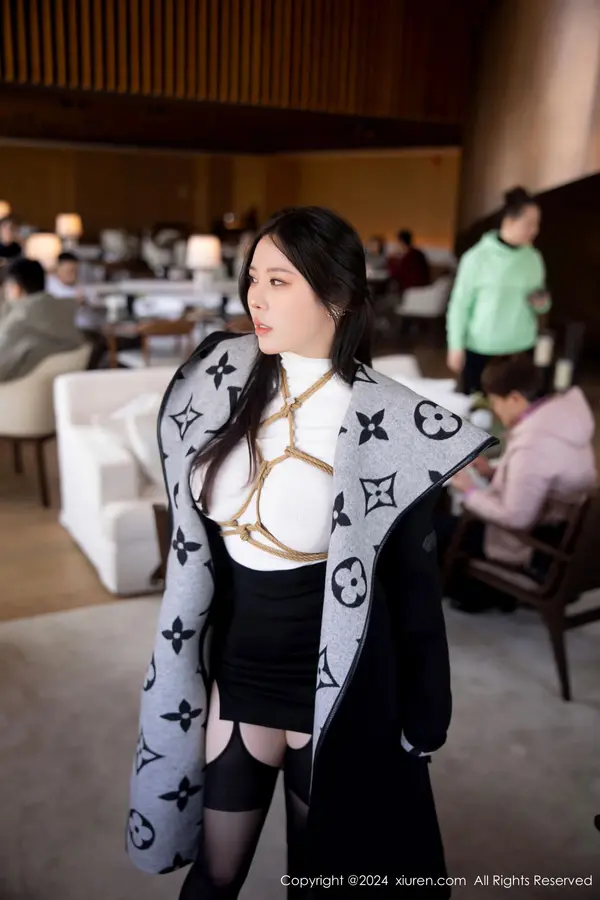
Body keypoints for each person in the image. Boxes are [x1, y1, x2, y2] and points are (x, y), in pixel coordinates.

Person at [126, 206, 492, 898]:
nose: (255, 299)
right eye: (252, 279)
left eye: (278, 281)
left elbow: (415, 591)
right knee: (214, 875)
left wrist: (426, 716)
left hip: (333, 690)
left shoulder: (386, 426)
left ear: (338, 295)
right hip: (238, 674)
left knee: (322, 877)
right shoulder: (223, 384)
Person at [443, 354, 596, 612]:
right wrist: (491, 472)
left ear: (514, 398)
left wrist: (469, 491)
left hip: (536, 546)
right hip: (566, 536)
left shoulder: (533, 445)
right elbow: (537, 477)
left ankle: (486, 592)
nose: (495, 409)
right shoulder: (562, 419)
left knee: (436, 531)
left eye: (496, 401)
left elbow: (516, 518)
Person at [446, 186, 550, 396]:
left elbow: (541, 302)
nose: (535, 230)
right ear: (509, 221)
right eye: (529, 224)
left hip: (521, 347)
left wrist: (542, 303)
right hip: (482, 347)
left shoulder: (534, 258)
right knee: (478, 407)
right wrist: (455, 345)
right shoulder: (477, 258)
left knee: (518, 407)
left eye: (537, 224)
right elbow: (459, 305)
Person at [0, 257, 85, 382]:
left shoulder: (18, 322)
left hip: (16, 390)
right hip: (53, 389)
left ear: (15, 289)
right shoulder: (65, 313)